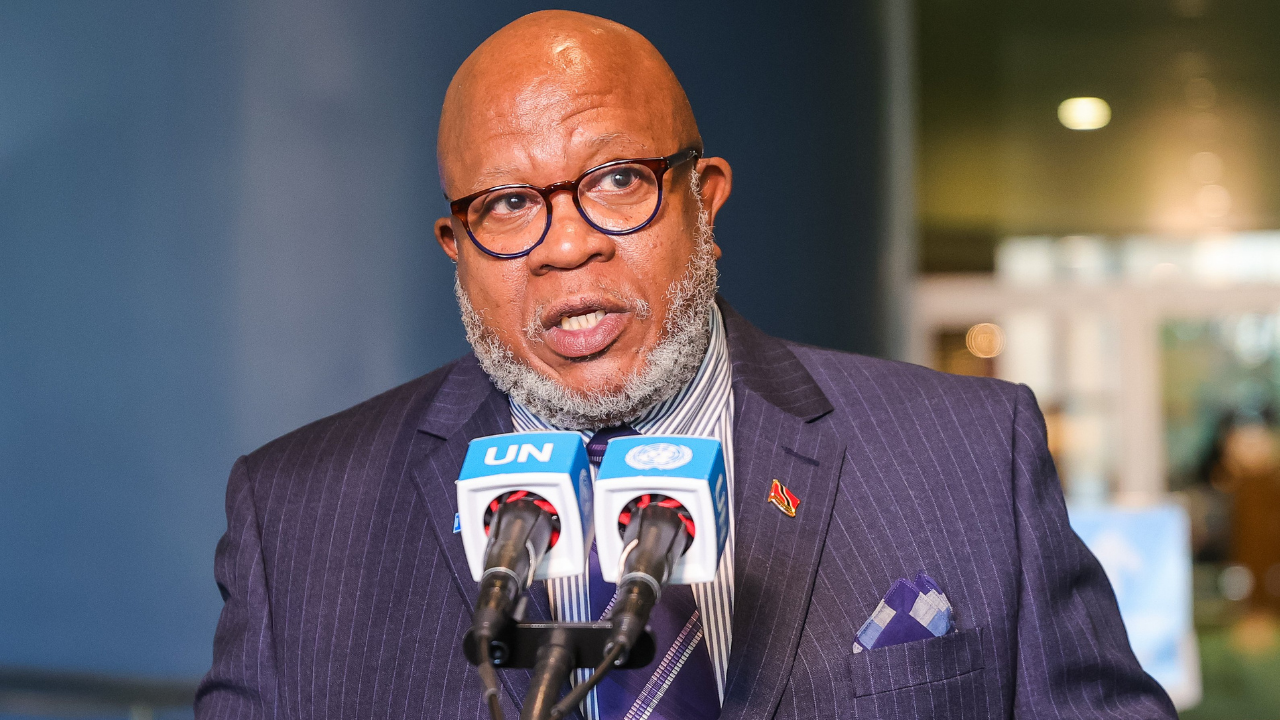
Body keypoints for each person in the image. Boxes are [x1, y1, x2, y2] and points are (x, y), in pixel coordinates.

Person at [196, 10, 1176, 720]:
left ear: (703, 199)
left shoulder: (967, 456)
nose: (565, 246)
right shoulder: (295, 520)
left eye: (617, 180)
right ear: (456, 248)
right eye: (507, 204)